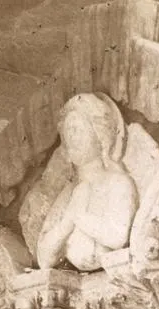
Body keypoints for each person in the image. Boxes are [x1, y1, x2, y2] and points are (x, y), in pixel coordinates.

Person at [36, 93, 138, 271]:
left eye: (78, 129)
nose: (71, 137)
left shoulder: (118, 183)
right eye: (68, 131)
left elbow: (117, 237)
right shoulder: (68, 193)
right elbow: (43, 259)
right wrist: (68, 220)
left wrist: (79, 215)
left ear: (100, 136)